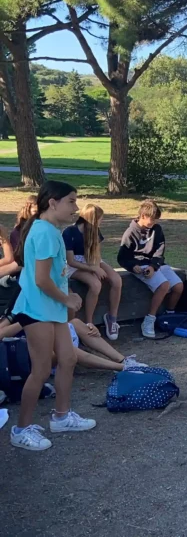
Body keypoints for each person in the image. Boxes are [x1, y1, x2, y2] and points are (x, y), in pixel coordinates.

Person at [10, 180, 96, 451]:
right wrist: (67, 298)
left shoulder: (51, 230)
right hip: (36, 309)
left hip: (52, 308)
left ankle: (61, 417)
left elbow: (57, 274)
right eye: (71, 201)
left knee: (68, 358)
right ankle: (21, 430)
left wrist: (67, 296)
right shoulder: (45, 232)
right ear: (52, 203)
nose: (76, 208)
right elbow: (41, 280)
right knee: (41, 370)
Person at [117, 199, 183, 339]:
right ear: (143, 216)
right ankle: (149, 319)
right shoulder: (130, 233)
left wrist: (154, 266)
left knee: (178, 286)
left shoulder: (157, 230)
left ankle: (169, 315)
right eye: (152, 219)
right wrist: (132, 266)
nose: (154, 222)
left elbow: (159, 251)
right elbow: (122, 258)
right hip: (139, 264)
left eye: (156, 220)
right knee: (164, 285)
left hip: (155, 263)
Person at [0, 316, 146, 373]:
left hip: (51, 331)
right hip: (34, 351)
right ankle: (122, 368)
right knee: (62, 347)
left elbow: (65, 316)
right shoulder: (14, 310)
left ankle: (122, 360)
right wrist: (27, 317)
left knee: (76, 323)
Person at [63, 204, 123, 340]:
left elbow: (97, 254)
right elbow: (71, 261)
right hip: (75, 265)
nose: (102, 221)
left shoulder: (95, 231)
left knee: (117, 280)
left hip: (92, 260)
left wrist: (96, 266)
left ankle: (112, 318)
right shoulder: (69, 232)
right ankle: (89, 322)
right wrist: (93, 269)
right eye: (100, 218)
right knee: (96, 285)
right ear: (93, 219)